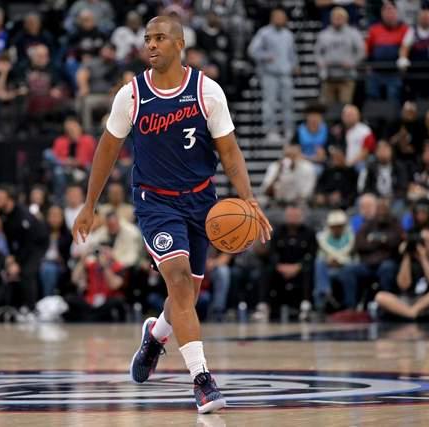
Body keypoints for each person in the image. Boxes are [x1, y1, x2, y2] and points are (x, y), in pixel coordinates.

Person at [72, 15, 272, 413]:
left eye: (160, 38)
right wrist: (89, 205)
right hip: (155, 203)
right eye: (148, 38)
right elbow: (107, 149)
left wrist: (248, 199)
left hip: (201, 202)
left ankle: (155, 334)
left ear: (180, 44)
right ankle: (202, 380)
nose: (151, 44)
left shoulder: (206, 91)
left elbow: (229, 152)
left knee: (187, 296)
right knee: (178, 281)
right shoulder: (131, 95)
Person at [375, 229, 429, 320]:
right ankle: (412, 313)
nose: (424, 244)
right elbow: (403, 285)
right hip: (406, 299)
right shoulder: (406, 260)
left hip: (426, 300)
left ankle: (409, 313)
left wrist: (423, 258)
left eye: (428, 241)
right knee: (380, 297)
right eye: (422, 241)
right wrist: (407, 255)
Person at [248, 7, 298, 140]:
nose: (280, 19)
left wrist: (295, 65)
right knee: (270, 103)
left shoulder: (288, 35)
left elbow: (292, 53)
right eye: (277, 17)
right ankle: (270, 130)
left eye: (282, 17)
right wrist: (266, 56)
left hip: (285, 73)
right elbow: (252, 50)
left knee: (288, 103)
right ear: (272, 18)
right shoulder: (264, 33)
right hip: (269, 74)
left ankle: (288, 130)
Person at [314, 7, 365, 105]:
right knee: (328, 107)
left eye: (340, 17)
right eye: (335, 17)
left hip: (347, 76)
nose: (338, 20)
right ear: (331, 19)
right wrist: (321, 63)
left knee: (345, 106)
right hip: (328, 77)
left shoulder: (353, 33)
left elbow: (361, 51)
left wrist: (352, 62)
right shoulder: (324, 34)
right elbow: (317, 52)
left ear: (346, 19)